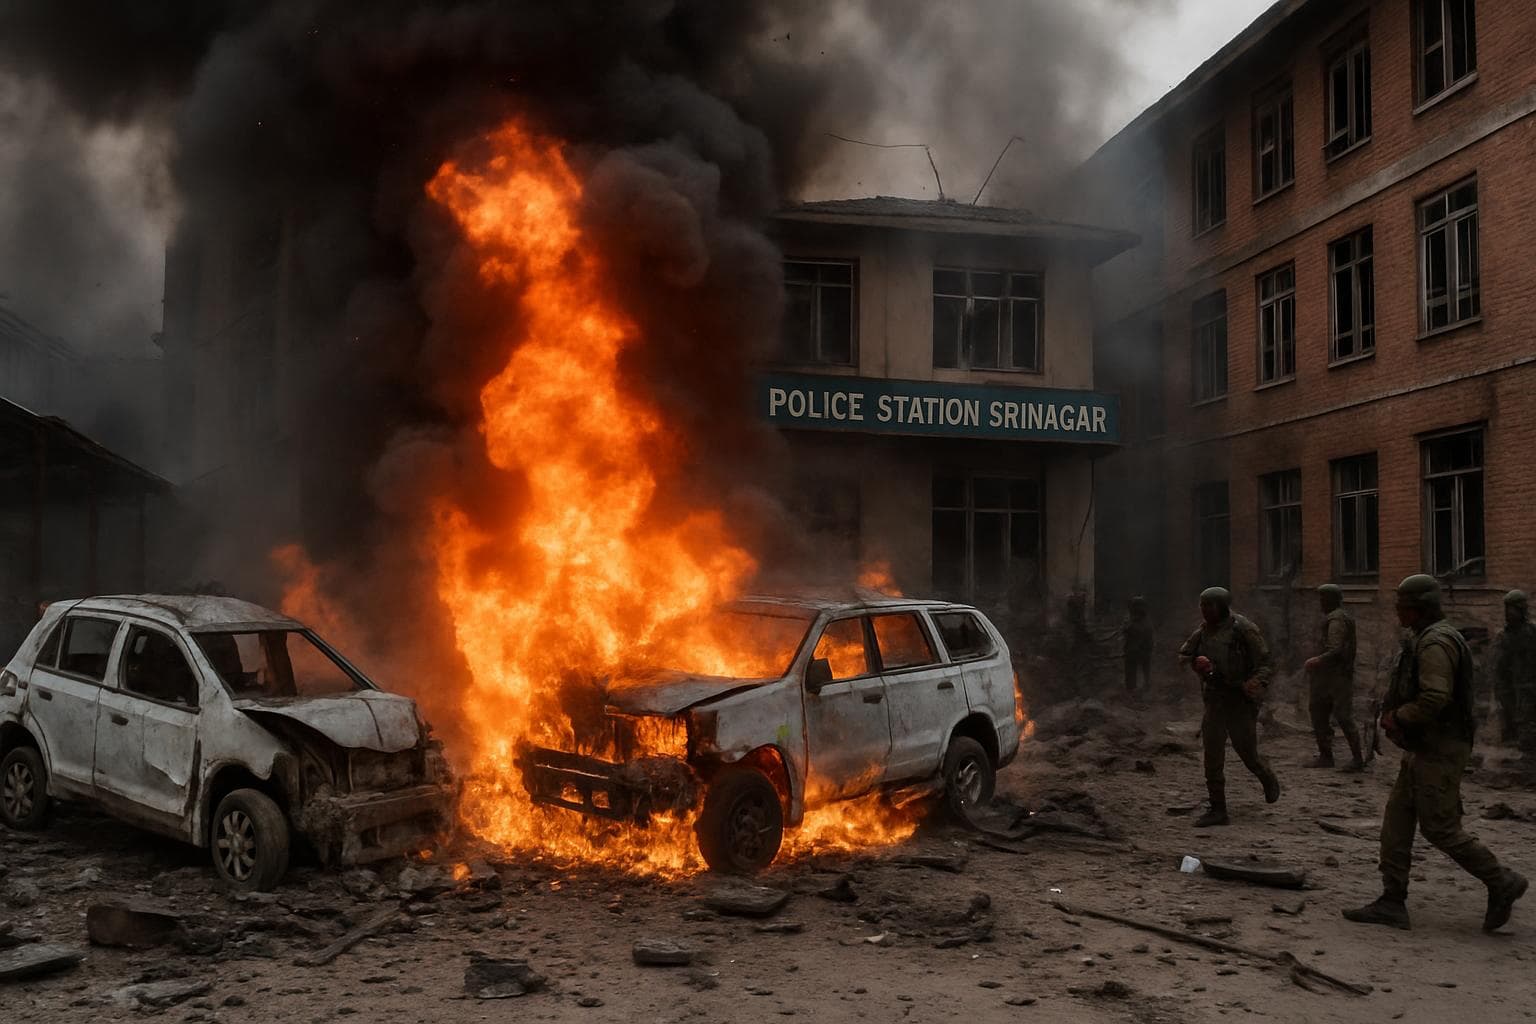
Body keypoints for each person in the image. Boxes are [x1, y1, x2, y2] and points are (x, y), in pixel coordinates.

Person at [1344, 574, 1527, 932]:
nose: (1397, 609)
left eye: (1401, 603)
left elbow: (1434, 697)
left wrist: (1398, 716)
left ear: (1418, 607)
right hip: (1423, 747)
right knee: (1396, 824)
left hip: (1441, 748)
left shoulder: (1436, 643)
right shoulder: (1424, 637)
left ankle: (1502, 880)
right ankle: (1392, 901)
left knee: (1440, 828)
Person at [1178, 587, 1282, 827]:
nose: (1204, 611)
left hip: (1239, 700)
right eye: (1202, 605)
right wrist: (1198, 664)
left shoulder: (1243, 629)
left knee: (1246, 752)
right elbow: (1184, 655)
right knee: (1212, 754)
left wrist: (1253, 685)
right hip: (1215, 699)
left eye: (1209, 606)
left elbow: (1266, 663)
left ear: (1222, 607)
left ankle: (1266, 776)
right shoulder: (1203, 631)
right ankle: (1217, 808)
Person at [1304, 584, 1364, 771]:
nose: (1320, 603)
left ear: (1331, 599)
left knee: (1343, 716)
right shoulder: (1336, 617)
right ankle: (1326, 756)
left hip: (1335, 676)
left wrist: (1317, 660)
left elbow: (1335, 648)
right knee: (1319, 713)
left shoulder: (1337, 619)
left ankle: (1356, 759)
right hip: (1327, 676)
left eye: (1323, 599)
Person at [1493, 590, 1536, 754]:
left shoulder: (1532, 633)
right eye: (1507, 609)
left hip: (1529, 685)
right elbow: (1499, 664)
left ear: (1522, 610)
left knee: (1527, 721)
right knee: (1510, 719)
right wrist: (1500, 687)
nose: (1509, 613)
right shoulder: (1504, 636)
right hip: (1509, 686)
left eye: (1513, 609)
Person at [1123, 596, 1154, 697]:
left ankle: (1132, 688)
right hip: (1145, 648)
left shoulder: (1138, 623)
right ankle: (1146, 685)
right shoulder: (1146, 621)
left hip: (1137, 649)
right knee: (1145, 667)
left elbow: (1132, 631)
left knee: (1131, 666)